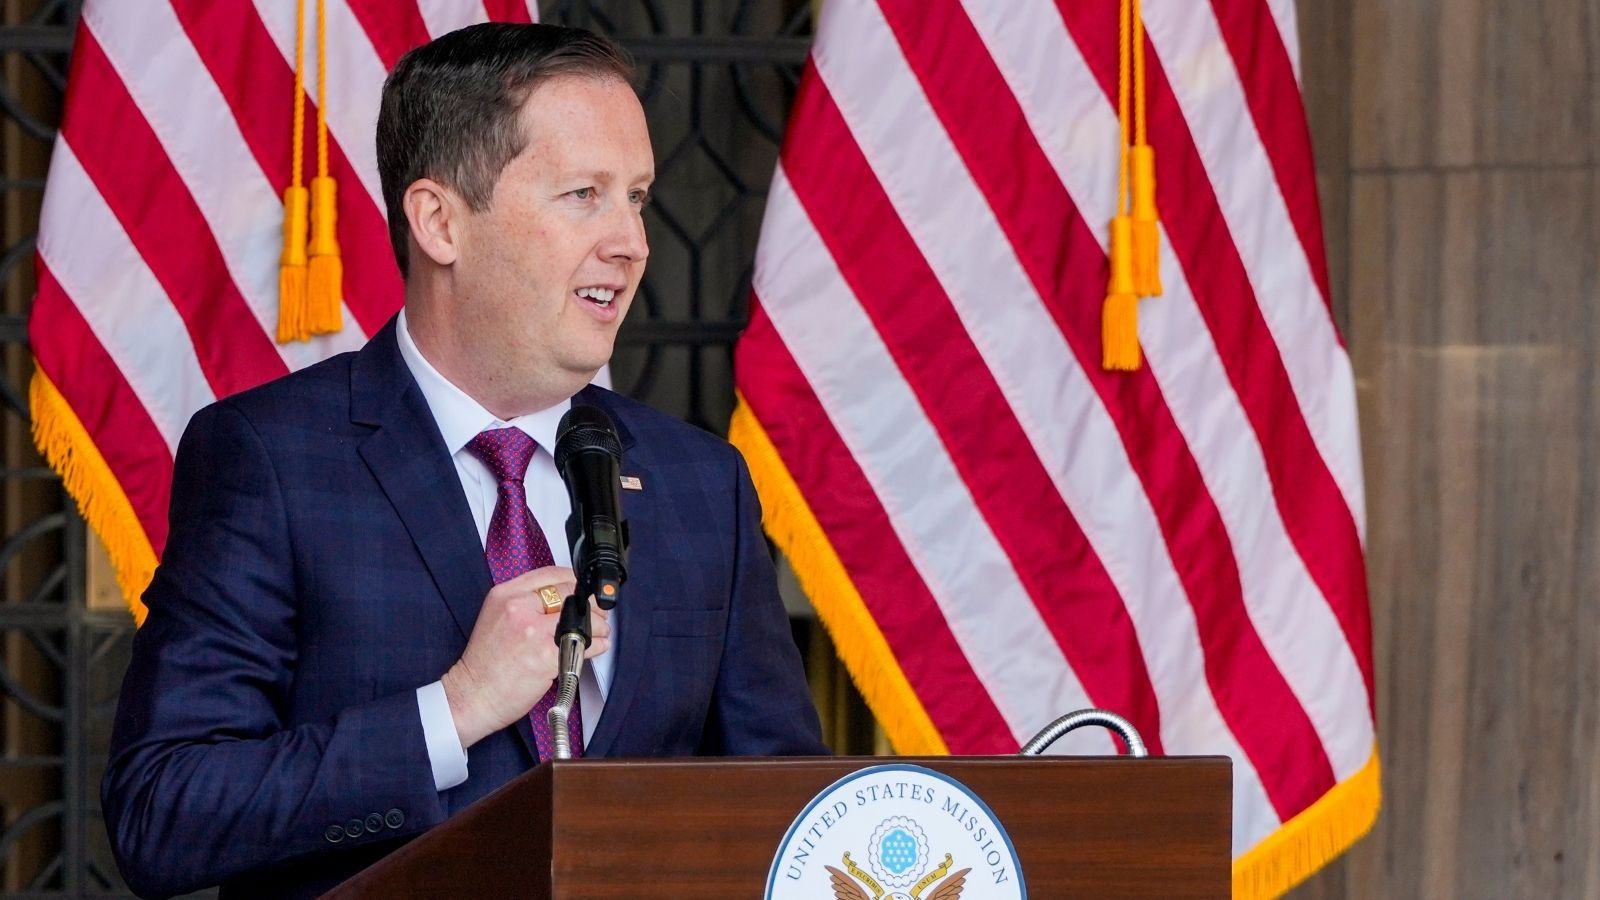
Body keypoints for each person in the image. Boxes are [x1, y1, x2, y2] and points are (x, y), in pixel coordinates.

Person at [100, 22, 825, 900]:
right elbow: (163, 812)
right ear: (440, 222)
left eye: (636, 196)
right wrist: (455, 709)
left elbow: (785, 819)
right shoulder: (270, 458)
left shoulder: (701, 483)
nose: (632, 240)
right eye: (584, 195)